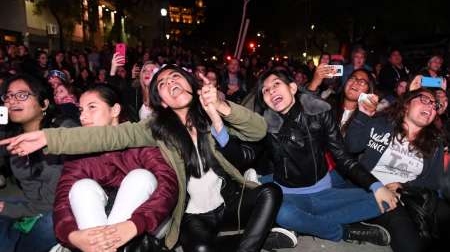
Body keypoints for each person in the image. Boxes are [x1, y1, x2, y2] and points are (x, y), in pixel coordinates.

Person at [1, 65, 282, 252]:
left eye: (175, 77)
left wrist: (220, 106)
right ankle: (258, 237)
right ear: (159, 98)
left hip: (228, 202)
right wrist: (50, 138)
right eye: (161, 83)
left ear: (190, 84)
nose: (169, 82)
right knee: (199, 250)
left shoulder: (211, 115)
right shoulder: (155, 129)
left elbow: (258, 130)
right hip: (193, 215)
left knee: (270, 192)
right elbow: (105, 136)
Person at [255, 69, 398, 246]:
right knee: (283, 213)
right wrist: (220, 117)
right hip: (291, 194)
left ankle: (302, 224)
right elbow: (246, 145)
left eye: (276, 84)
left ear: (292, 87)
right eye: (265, 90)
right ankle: (345, 231)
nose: (271, 91)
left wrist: (376, 186)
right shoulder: (264, 124)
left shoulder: (321, 110)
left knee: (384, 201)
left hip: (325, 187)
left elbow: (344, 155)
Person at [53, 85, 178, 251]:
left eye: (92, 108)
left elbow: (168, 184)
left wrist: (134, 225)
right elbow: (62, 200)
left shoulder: (138, 138)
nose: (83, 116)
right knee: (81, 187)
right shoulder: (79, 151)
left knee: (141, 177)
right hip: (97, 221)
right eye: (81, 110)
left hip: (150, 220)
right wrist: (71, 235)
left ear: (115, 110)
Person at [345, 88, 450, 252]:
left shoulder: (435, 143)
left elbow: (434, 181)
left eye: (435, 105)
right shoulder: (382, 123)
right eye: (424, 100)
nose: (431, 107)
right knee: (407, 236)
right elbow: (352, 146)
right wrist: (363, 115)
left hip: (410, 194)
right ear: (407, 105)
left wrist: (403, 186)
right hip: (376, 192)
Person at [0, 75, 78, 252]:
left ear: (44, 104)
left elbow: (50, 204)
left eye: (22, 95)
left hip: (59, 210)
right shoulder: (11, 134)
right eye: (8, 96)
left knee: (49, 225)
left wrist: (10, 210)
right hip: (30, 204)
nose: (12, 101)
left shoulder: (64, 130)